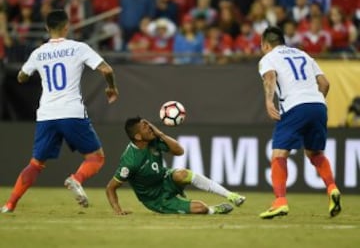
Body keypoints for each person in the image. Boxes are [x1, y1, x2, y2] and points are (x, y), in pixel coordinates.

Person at [1, 9, 119, 213]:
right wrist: (111, 87)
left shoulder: (39, 52)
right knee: (96, 157)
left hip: (46, 114)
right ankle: (76, 179)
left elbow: (21, 76)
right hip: (71, 111)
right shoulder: (78, 48)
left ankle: (9, 204)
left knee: (36, 164)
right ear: (67, 26)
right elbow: (107, 69)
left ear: (47, 28)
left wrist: (28, 73)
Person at [257, 26, 341, 219]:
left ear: (266, 44)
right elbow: (325, 84)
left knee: (279, 153)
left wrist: (269, 101)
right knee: (314, 152)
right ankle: (332, 188)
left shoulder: (268, 58)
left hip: (295, 106)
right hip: (319, 105)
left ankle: (280, 202)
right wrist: (315, 103)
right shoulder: (304, 54)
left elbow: (270, 78)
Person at [106, 117, 246, 215]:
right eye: (145, 127)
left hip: (164, 179)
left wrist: (161, 134)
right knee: (201, 209)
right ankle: (214, 210)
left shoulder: (153, 140)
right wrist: (117, 209)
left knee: (182, 173)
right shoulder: (130, 161)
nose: (149, 128)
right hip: (156, 199)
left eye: (147, 124)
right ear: (138, 137)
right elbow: (111, 188)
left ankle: (231, 195)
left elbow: (179, 151)